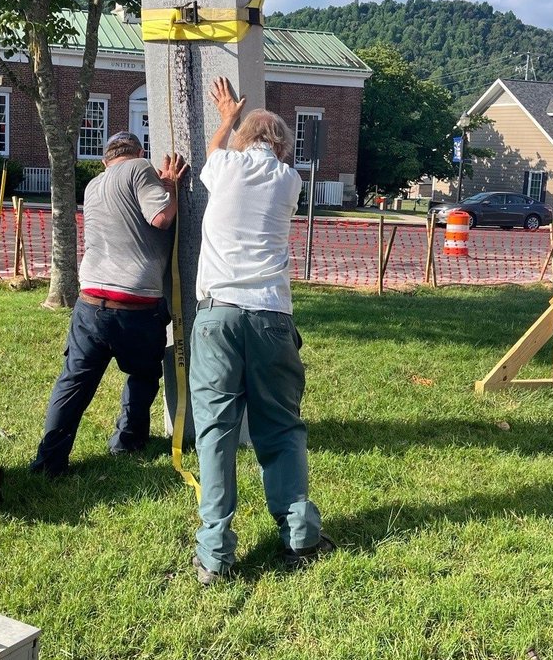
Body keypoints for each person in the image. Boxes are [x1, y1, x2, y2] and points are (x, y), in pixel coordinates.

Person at [188, 77, 334, 584]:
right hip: (272, 314)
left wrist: (227, 118)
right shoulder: (290, 181)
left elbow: (213, 152)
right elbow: (258, 156)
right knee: (281, 426)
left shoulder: (225, 165)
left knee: (215, 432)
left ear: (243, 140)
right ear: (283, 148)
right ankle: (300, 535)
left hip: (217, 314)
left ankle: (214, 553)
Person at [31, 132, 187, 477]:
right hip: (135, 304)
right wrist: (171, 187)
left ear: (105, 161)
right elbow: (161, 218)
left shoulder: (94, 185)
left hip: (89, 302)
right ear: (139, 151)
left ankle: (48, 462)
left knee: (73, 383)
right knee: (143, 374)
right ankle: (127, 442)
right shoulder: (139, 167)